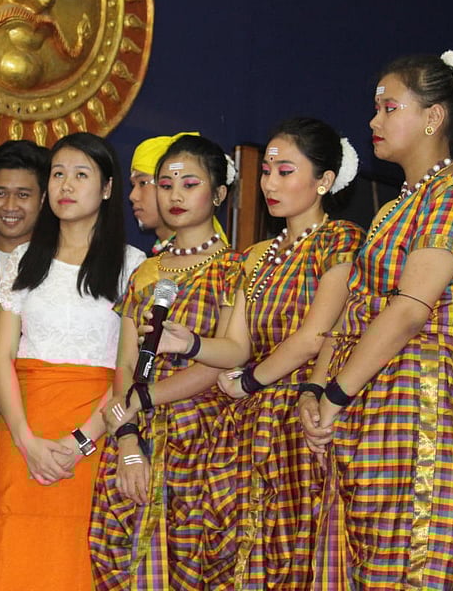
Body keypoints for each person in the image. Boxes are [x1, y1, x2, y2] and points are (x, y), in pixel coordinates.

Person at [300, 51, 453, 589]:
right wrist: (315, 388)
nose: (373, 121)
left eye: (388, 107)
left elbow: (409, 311)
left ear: (433, 118)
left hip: (423, 397)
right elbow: (354, 311)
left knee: (416, 563)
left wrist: (336, 394)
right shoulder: (395, 208)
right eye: (375, 108)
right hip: (368, 399)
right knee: (364, 564)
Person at [149, 119, 364, 588]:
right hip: (248, 419)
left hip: (301, 413)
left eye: (285, 171)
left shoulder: (340, 240)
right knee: (236, 553)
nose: (269, 182)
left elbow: (316, 335)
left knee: (293, 553)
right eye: (266, 170)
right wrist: (190, 343)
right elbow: (237, 345)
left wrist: (249, 380)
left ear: (324, 182)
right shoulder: (257, 255)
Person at [0, 132, 145, 590]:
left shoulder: (134, 266)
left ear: (108, 188)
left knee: (78, 561)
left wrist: (82, 442)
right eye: (57, 174)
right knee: (17, 559)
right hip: (24, 434)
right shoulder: (21, 261)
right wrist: (26, 439)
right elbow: (0, 359)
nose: (66, 186)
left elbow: (128, 370)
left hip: (98, 430)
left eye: (80, 175)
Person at [89, 134, 245, 590]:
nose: (175, 195)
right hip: (135, 433)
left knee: (194, 565)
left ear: (217, 194)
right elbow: (123, 367)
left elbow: (220, 362)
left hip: (203, 446)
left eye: (189, 183)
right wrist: (127, 444)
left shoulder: (235, 269)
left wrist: (144, 398)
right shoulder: (145, 273)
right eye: (165, 183)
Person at [0, 139, 49, 462]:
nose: (9, 206)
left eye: (23, 195)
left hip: (35, 426)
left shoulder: (57, 269)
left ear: (43, 200)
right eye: (0, 193)